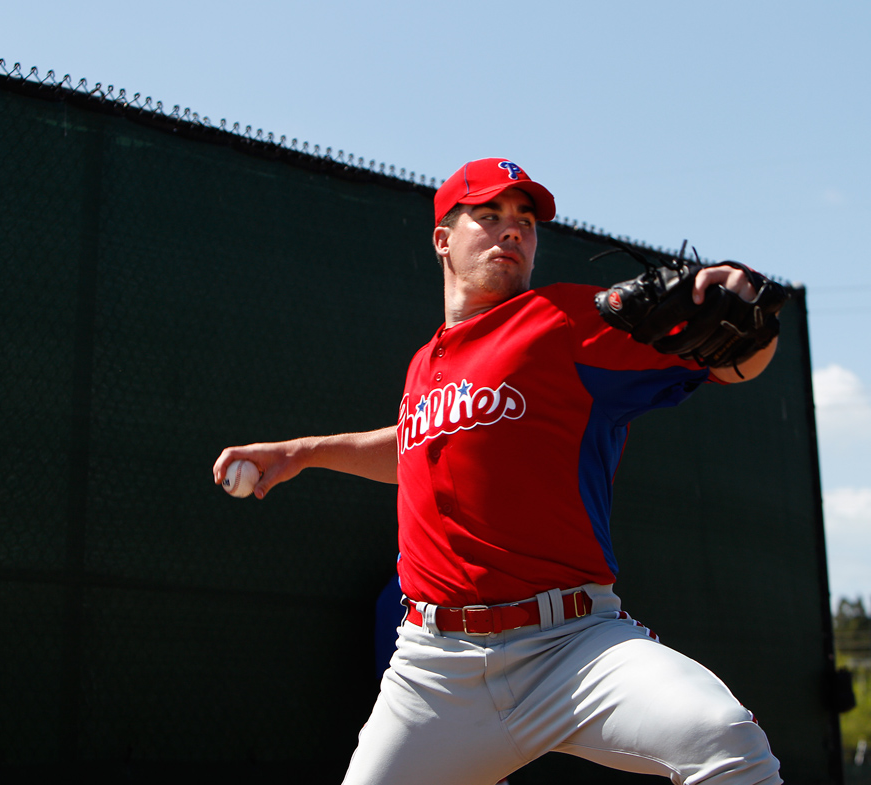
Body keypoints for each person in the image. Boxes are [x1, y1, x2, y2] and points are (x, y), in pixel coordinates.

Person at [212, 158, 782, 785]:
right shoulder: (424, 364)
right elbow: (415, 447)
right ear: (442, 239)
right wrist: (302, 452)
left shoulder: (563, 320)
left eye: (525, 220)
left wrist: (746, 305)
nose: (512, 230)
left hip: (570, 648)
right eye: (488, 216)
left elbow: (734, 364)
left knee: (724, 739)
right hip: (433, 672)